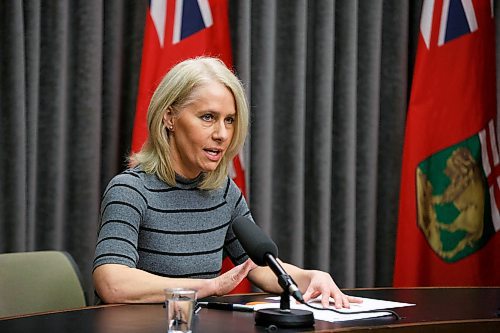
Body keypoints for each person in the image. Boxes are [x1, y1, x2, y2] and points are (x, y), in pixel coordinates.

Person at [93, 57, 361, 309]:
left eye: (229, 120)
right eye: (208, 117)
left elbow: (258, 266)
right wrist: (209, 287)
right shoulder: (130, 190)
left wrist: (310, 277)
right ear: (169, 117)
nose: (222, 134)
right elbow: (112, 283)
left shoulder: (223, 193)